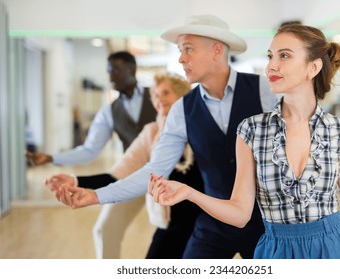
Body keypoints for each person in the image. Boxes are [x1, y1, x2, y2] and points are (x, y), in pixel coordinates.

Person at [149, 23, 340, 259]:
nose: (271, 66)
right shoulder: (251, 131)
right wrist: (189, 193)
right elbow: (240, 214)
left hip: (336, 248)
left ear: (313, 67)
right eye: (270, 56)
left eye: (284, 56)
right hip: (277, 252)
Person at [54, 14, 278, 259]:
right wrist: (97, 195)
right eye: (180, 51)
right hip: (214, 224)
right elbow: (155, 170)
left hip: (268, 222)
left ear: (216, 50)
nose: (181, 59)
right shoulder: (182, 109)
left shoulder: (266, 91)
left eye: (188, 49)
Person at [46, 73, 203, 259]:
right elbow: (118, 174)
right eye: (155, 95)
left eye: (165, 93)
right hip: (173, 223)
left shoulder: (202, 126)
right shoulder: (151, 133)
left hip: (206, 219)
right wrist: (76, 180)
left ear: (182, 95)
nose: (159, 99)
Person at [26, 51, 156, 166]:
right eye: (109, 72)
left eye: (115, 71)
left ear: (132, 69)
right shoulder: (109, 112)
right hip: (134, 174)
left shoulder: (159, 97)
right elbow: (90, 150)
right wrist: (51, 158)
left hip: (169, 174)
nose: (111, 77)